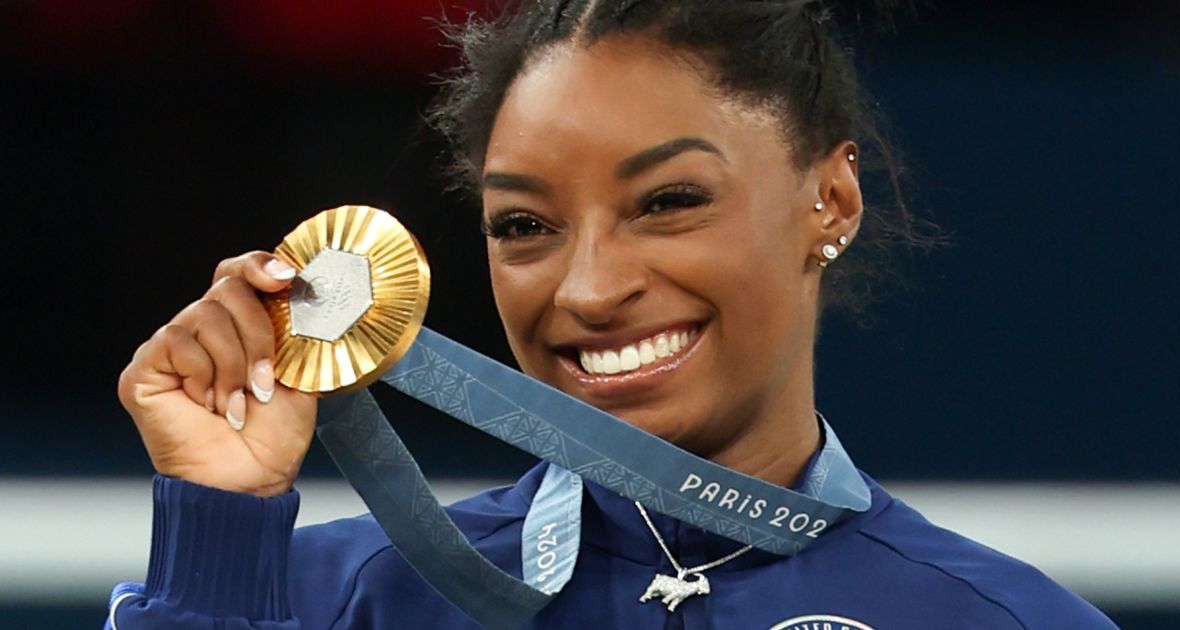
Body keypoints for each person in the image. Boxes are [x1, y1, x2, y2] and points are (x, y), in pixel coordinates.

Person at [106, 1, 1118, 628]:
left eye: (669, 203)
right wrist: (219, 533)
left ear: (831, 201)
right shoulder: (325, 600)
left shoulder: (1005, 621)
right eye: (524, 226)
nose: (588, 290)